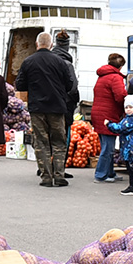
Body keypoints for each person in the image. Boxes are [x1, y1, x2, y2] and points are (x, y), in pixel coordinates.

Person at [15, 32, 77, 187]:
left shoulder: (28, 61)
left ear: (37, 44)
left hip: (37, 108)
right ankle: (59, 175)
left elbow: (20, 85)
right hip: (57, 108)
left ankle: (46, 177)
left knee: (41, 142)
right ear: (51, 45)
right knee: (58, 142)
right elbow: (70, 85)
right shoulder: (60, 62)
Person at [92, 53, 129, 183]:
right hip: (108, 114)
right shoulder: (115, 77)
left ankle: (109, 172)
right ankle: (101, 174)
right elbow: (120, 96)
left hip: (98, 113)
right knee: (108, 148)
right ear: (120, 65)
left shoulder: (102, 76)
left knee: (105, 145)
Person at [104, 95, 133, 196]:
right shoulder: (128, 118)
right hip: (128, 147)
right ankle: (132, 187)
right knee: (130, 168)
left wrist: (109, 124)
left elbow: (121, 128)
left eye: (131, 107)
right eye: (126, 107)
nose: (128, 109)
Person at [53, 32, 80, 180]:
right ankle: (59, 168)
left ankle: (45, 167)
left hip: (46, 105)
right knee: (64, 138)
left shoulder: (48, 61)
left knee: (48, 138)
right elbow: (73, 87)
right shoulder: (67, 64)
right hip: (64, 106)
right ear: (67, 46)